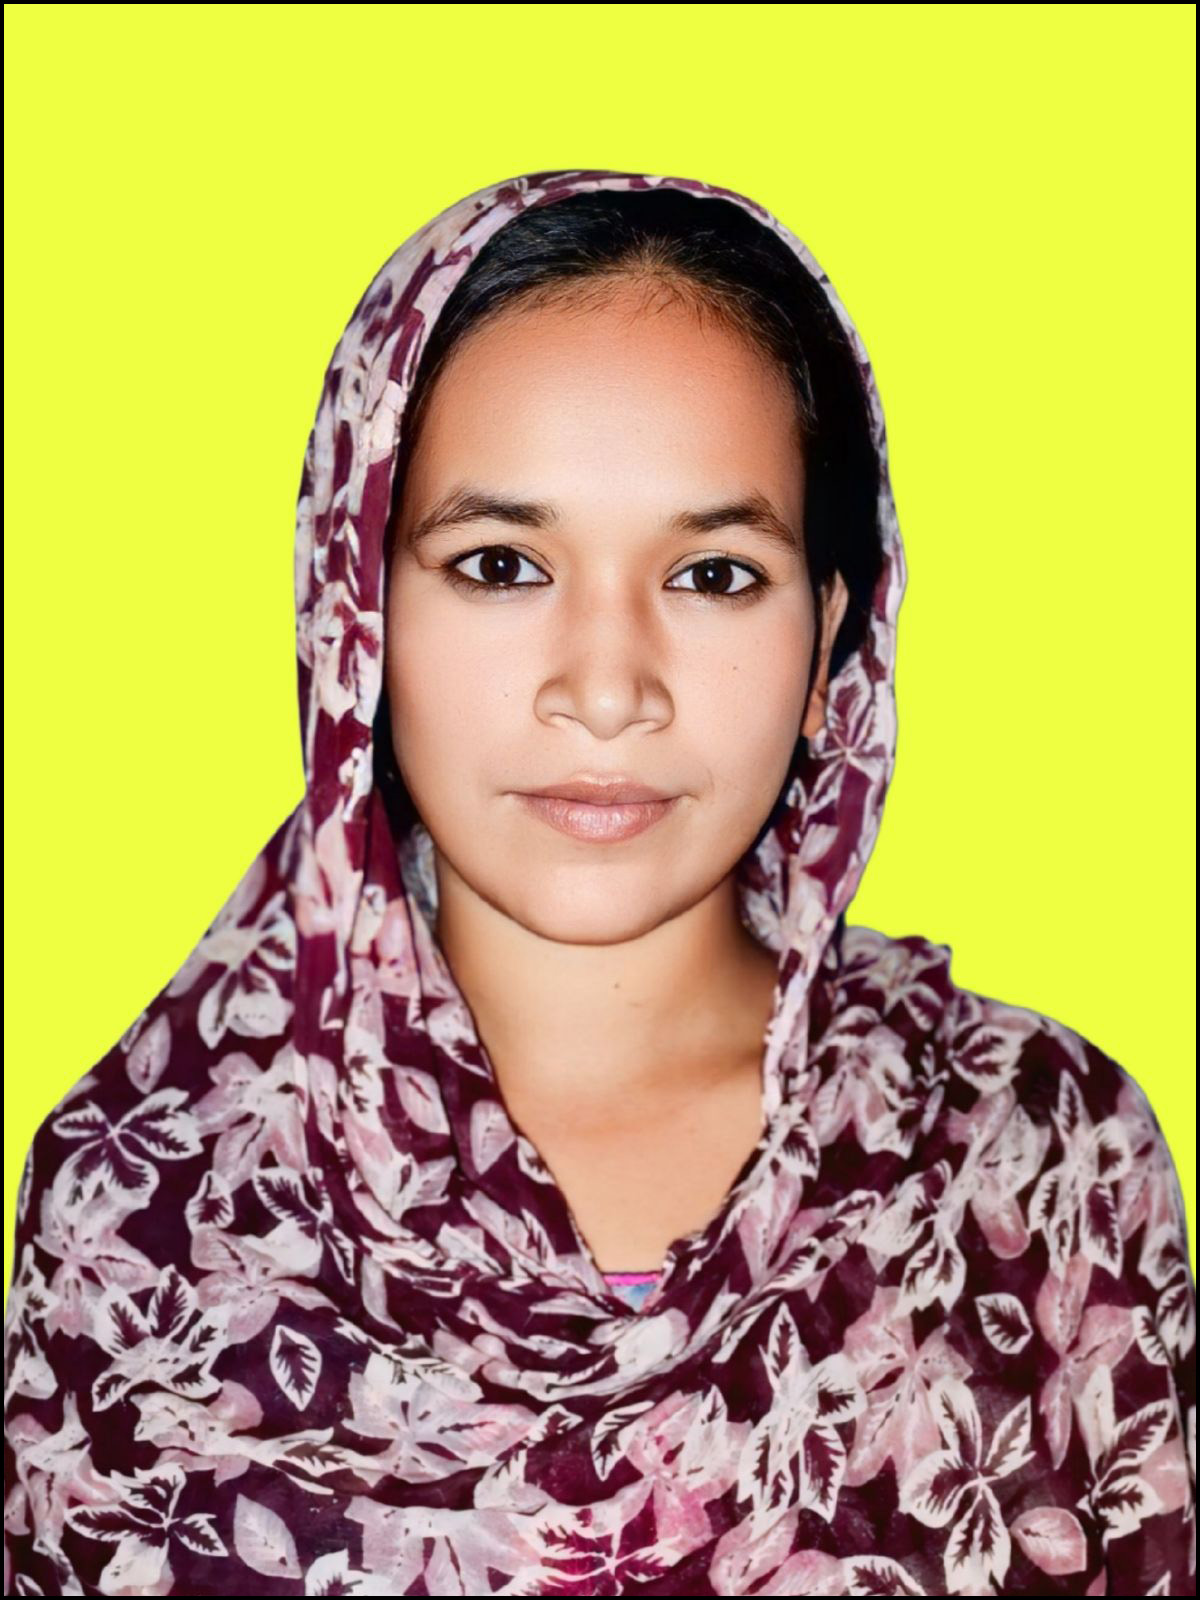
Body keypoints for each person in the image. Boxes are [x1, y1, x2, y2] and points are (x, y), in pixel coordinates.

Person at [3, 169, 1194, 1597]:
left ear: (830, 640)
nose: (609, 687)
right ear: (353, 607)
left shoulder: (1036, 1161)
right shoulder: (146, 1212)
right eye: (503, 565)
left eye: (714, 575)